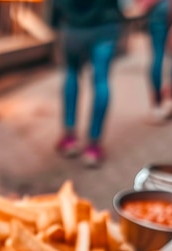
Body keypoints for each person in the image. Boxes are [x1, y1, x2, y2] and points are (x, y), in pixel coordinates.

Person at [52, 0, 125, 167]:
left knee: (71, 74)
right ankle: (93, 146)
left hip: (73, 27)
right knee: (101, 81)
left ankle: (70, 138)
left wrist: (55, 23)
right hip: (105, 27)